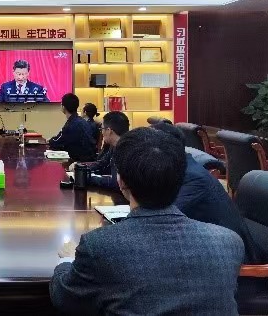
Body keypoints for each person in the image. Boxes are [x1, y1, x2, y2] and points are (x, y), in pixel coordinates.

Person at [50, 127, 245, 315]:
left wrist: (67, 259)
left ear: (121, 182)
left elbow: (64, 298)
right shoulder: (229, 241)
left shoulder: (99, 246)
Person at [151, 122, 260, 263]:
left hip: (226, 259)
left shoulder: (193, 178)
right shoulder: (181, 168)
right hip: (203, 246)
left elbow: (159, 219)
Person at [85, 111, 130, 190]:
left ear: (109, 131)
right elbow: (102, 163)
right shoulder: (114, 145)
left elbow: (116, 183)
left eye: (102, 129)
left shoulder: (125, 149)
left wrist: (89, 178)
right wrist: (81, 168)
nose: (102, 132)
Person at [48, 93, 96, 162]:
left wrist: (50, 140)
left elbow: (56, 142)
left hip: (78, 162)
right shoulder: (82, 121)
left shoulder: (71, 124)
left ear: (63, 107)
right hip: (89, 160)